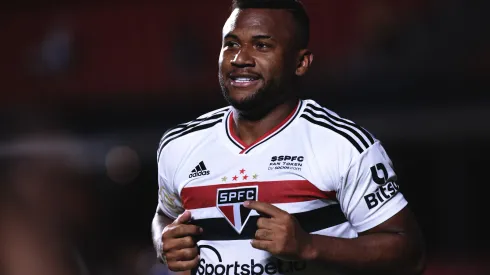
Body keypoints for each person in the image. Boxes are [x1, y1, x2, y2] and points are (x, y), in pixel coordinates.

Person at [152, 0, 426, 274]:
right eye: (231, 44)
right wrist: (163, 241)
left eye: (262, 45)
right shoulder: (179, 144)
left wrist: (309, 245)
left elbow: (410, 255)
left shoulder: (343, 145)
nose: (240, 58)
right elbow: (164, 214)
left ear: (300, 63)